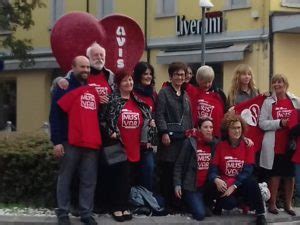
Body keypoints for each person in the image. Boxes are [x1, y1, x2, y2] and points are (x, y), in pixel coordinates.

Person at [49, 56, 99, 225]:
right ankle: (62, 212)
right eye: (82, 67)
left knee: (88, 179)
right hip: (69, 140)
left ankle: (86, 213)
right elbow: (54, 115)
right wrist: (56, 141)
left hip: (90, 142)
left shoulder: (92, 87)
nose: (85, 70)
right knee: (65, 177)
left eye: (87, 67)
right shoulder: (63, 86)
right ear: (73, 67)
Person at [103, 70, 154, 222]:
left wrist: (150, 124)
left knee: (129, 179)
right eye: (125, 80)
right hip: (118, 145)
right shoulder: (112, 100)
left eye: (130, 80)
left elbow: (147, 118)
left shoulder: (138, 101)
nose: (129, 83)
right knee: (119, 177)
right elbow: (102, 120)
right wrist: (110, 131)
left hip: (135, 146)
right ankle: (116, 207)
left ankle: (125, 206)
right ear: (118, 84)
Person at [209, 113, 266, 225]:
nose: (236, 131)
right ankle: (230, 203)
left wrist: (235, 185)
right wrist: (216, 178)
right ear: (227, 130)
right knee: (228, 204)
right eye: (233, 128)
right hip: (225, 183)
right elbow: (213, 168)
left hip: (240, 182)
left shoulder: (248, 145)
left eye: (239, 128)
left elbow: (248, 170)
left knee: (252, 182)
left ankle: (260, 214)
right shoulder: (220, 146)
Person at [259, 74, 300, 216]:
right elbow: (262, 123)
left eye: (280, 82)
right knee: (275, 175)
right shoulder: (268, 102)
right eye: (274, 82)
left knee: (290, 175)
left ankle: (289, 205)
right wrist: (280, 123)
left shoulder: (295, 101)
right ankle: (272, 204)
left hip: (291, 145)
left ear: (285, 84)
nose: (277, 85)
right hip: (274, 144)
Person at [155, 62, 193, 212]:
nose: (180, 77)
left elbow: (188, 117)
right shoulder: (164, 92)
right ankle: (168, 204)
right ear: (171, 76)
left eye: (182, 74)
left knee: (180, 171)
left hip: (183, 139)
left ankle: (178, 203)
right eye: (177, 74)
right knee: (168, 171)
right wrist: (163, 132)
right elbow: (159, 114)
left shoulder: (185, 94)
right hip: (169, 139)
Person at [173, 117, 217, 220]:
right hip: (192, 186)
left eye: (211, 127)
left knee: (209, 212)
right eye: (205, 127)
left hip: (206, 186)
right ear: (199, 128)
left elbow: (230, 140)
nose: (209, 130)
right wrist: (177, 184)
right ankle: (190, 204)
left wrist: (245, 139)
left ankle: (203, 203)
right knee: (200, 215)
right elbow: (179, 164)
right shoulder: (190, 142)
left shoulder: (214, 144)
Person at [133, 61, 157, 191]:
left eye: (150, 74)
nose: (148, 76)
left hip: (147, 143)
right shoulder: (132, 93)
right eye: (145, 74)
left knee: (149, 168)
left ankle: (147, 199)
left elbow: (156, 114)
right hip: (132, 139)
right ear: (138, 75)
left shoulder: (153, 95)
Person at [187, 65, 226, 139]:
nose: (207, 85)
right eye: (204, 82)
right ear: (198, 80)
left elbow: (224, 112)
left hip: (215, 137)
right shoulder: (192, 92)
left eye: (209, 82)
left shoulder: (219, 94)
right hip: (196, 136)